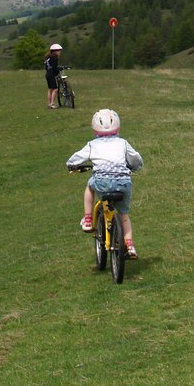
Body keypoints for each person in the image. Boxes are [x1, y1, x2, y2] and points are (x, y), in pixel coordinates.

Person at [66, 108, 143, 259]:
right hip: (123, 183)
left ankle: (88, 219)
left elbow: (76, 158)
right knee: (124, 215)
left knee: (89, 187)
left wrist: (71, 165)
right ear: (118, 126)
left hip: (102, 182)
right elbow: (135, 159)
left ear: (94, 128)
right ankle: (130, 245)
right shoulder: (123, 143)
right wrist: (135, 167)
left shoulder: (92, 145)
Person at [44, 43, 63, 108]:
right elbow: (54, 68)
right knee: (55, 89)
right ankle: (52, 104)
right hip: (51, 74)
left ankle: (49, 104)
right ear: (54, 51)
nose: (59, 52)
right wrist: (58, 70)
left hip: (47, 74)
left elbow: (46, 67)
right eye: (58, 50)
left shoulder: (48, 58)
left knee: (50, 89)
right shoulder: (55, 58)